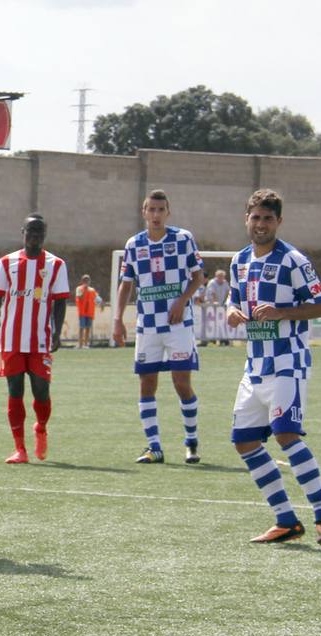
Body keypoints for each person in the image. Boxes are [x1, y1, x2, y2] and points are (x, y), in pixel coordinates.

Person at [225, 189, 321, 545]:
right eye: (255, 217)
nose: (261, 224)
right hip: (255, 364)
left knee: (287, 435)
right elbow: (235, 296)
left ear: (279, 222)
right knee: (244, 442)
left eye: (268, 218)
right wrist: (231, 309)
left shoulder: (293, 260)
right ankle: (286, 520)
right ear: (247, 219)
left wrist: (282, 312)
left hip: (288, 361)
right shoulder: (239, 261)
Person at [112, 189, 206, 465]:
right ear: (143, 212)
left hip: (179, 325)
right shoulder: (134, 244)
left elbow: (198, 277)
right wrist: (117, 319)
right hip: (148, 326)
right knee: (147, 384)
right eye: (150, 210)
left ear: (168, 212)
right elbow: (126, 284)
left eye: (160, 210)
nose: (155, 215)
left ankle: (191, 443)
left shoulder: (182, 239)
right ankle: (154, 447)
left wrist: (181, 302)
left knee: (181, 384)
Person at [0, 215, 69, 464]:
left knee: (41, 391)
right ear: (23, 232)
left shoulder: (55, 264)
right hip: (11, 340)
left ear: (45, 234)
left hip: (40, 340)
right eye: (31, 230)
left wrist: (57, 331)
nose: (35, 235)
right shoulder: (7, 262)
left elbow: (60, 300)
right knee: (15, 391)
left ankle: (40, 427)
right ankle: (20, 449)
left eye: (39, 232)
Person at [204, 268, 232, 345]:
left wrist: (225, 302)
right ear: (216, 276)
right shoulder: (212, 282)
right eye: (220, 276)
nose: (221, 278)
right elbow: (212, 294)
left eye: (222, 276)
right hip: (211, 305)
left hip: (221, 305)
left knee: (222, 323)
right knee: (211, 323)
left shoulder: (225, 282)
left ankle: (223, 339)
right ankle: (210, 340)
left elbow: (228, 291)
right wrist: (216, 302)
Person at [74, 274, 98, 349]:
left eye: (87, 280)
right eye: (85, 280)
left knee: (88, 328)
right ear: (82, 281)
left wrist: (101, 303)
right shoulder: (79, 289)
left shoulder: (92, 290)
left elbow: (97, 298)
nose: (86, 281)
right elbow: (79, 297)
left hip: (90, 312)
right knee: (82, 328)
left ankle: (86, 344)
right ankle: (80, 344)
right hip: (82, 312)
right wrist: (84, 290)